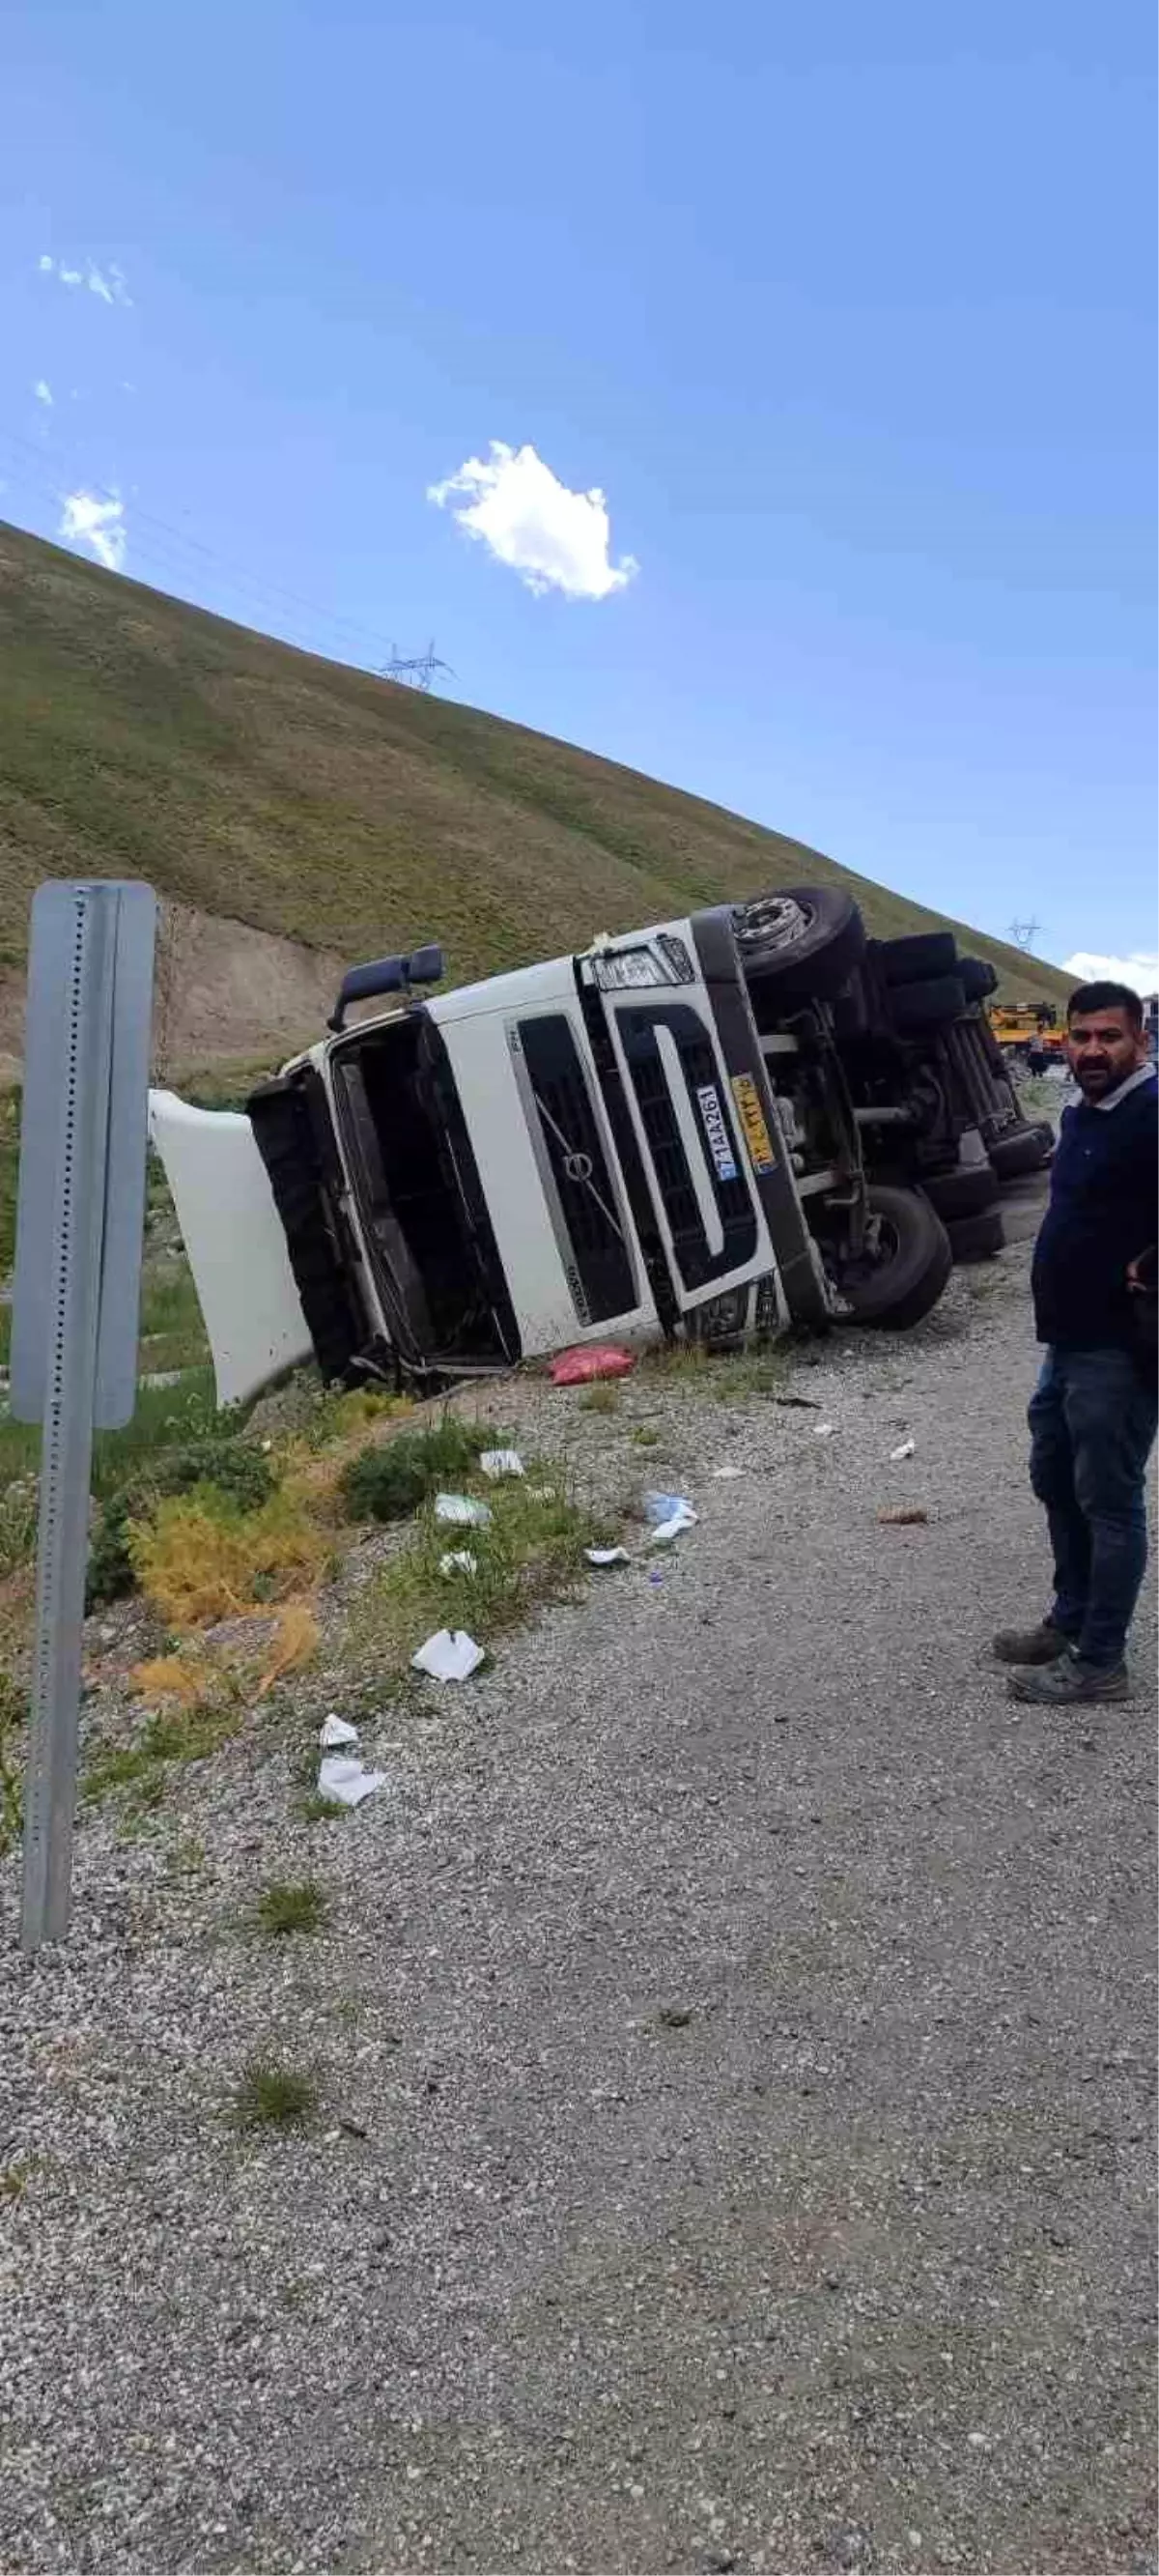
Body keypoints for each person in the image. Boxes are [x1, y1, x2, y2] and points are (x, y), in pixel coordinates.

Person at [994, 980, 1159, 1705]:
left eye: (1110, 1036)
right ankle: (1069, 1620)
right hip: (1068, 1340)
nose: (1093, 1049)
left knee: (1109, 1498)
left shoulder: (1153, 1112)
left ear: (1139, 1041)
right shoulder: (1084, 1109)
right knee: (1056, 1479)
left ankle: (1100, 1661)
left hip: (1120, 1349)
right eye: (1082, 1036)